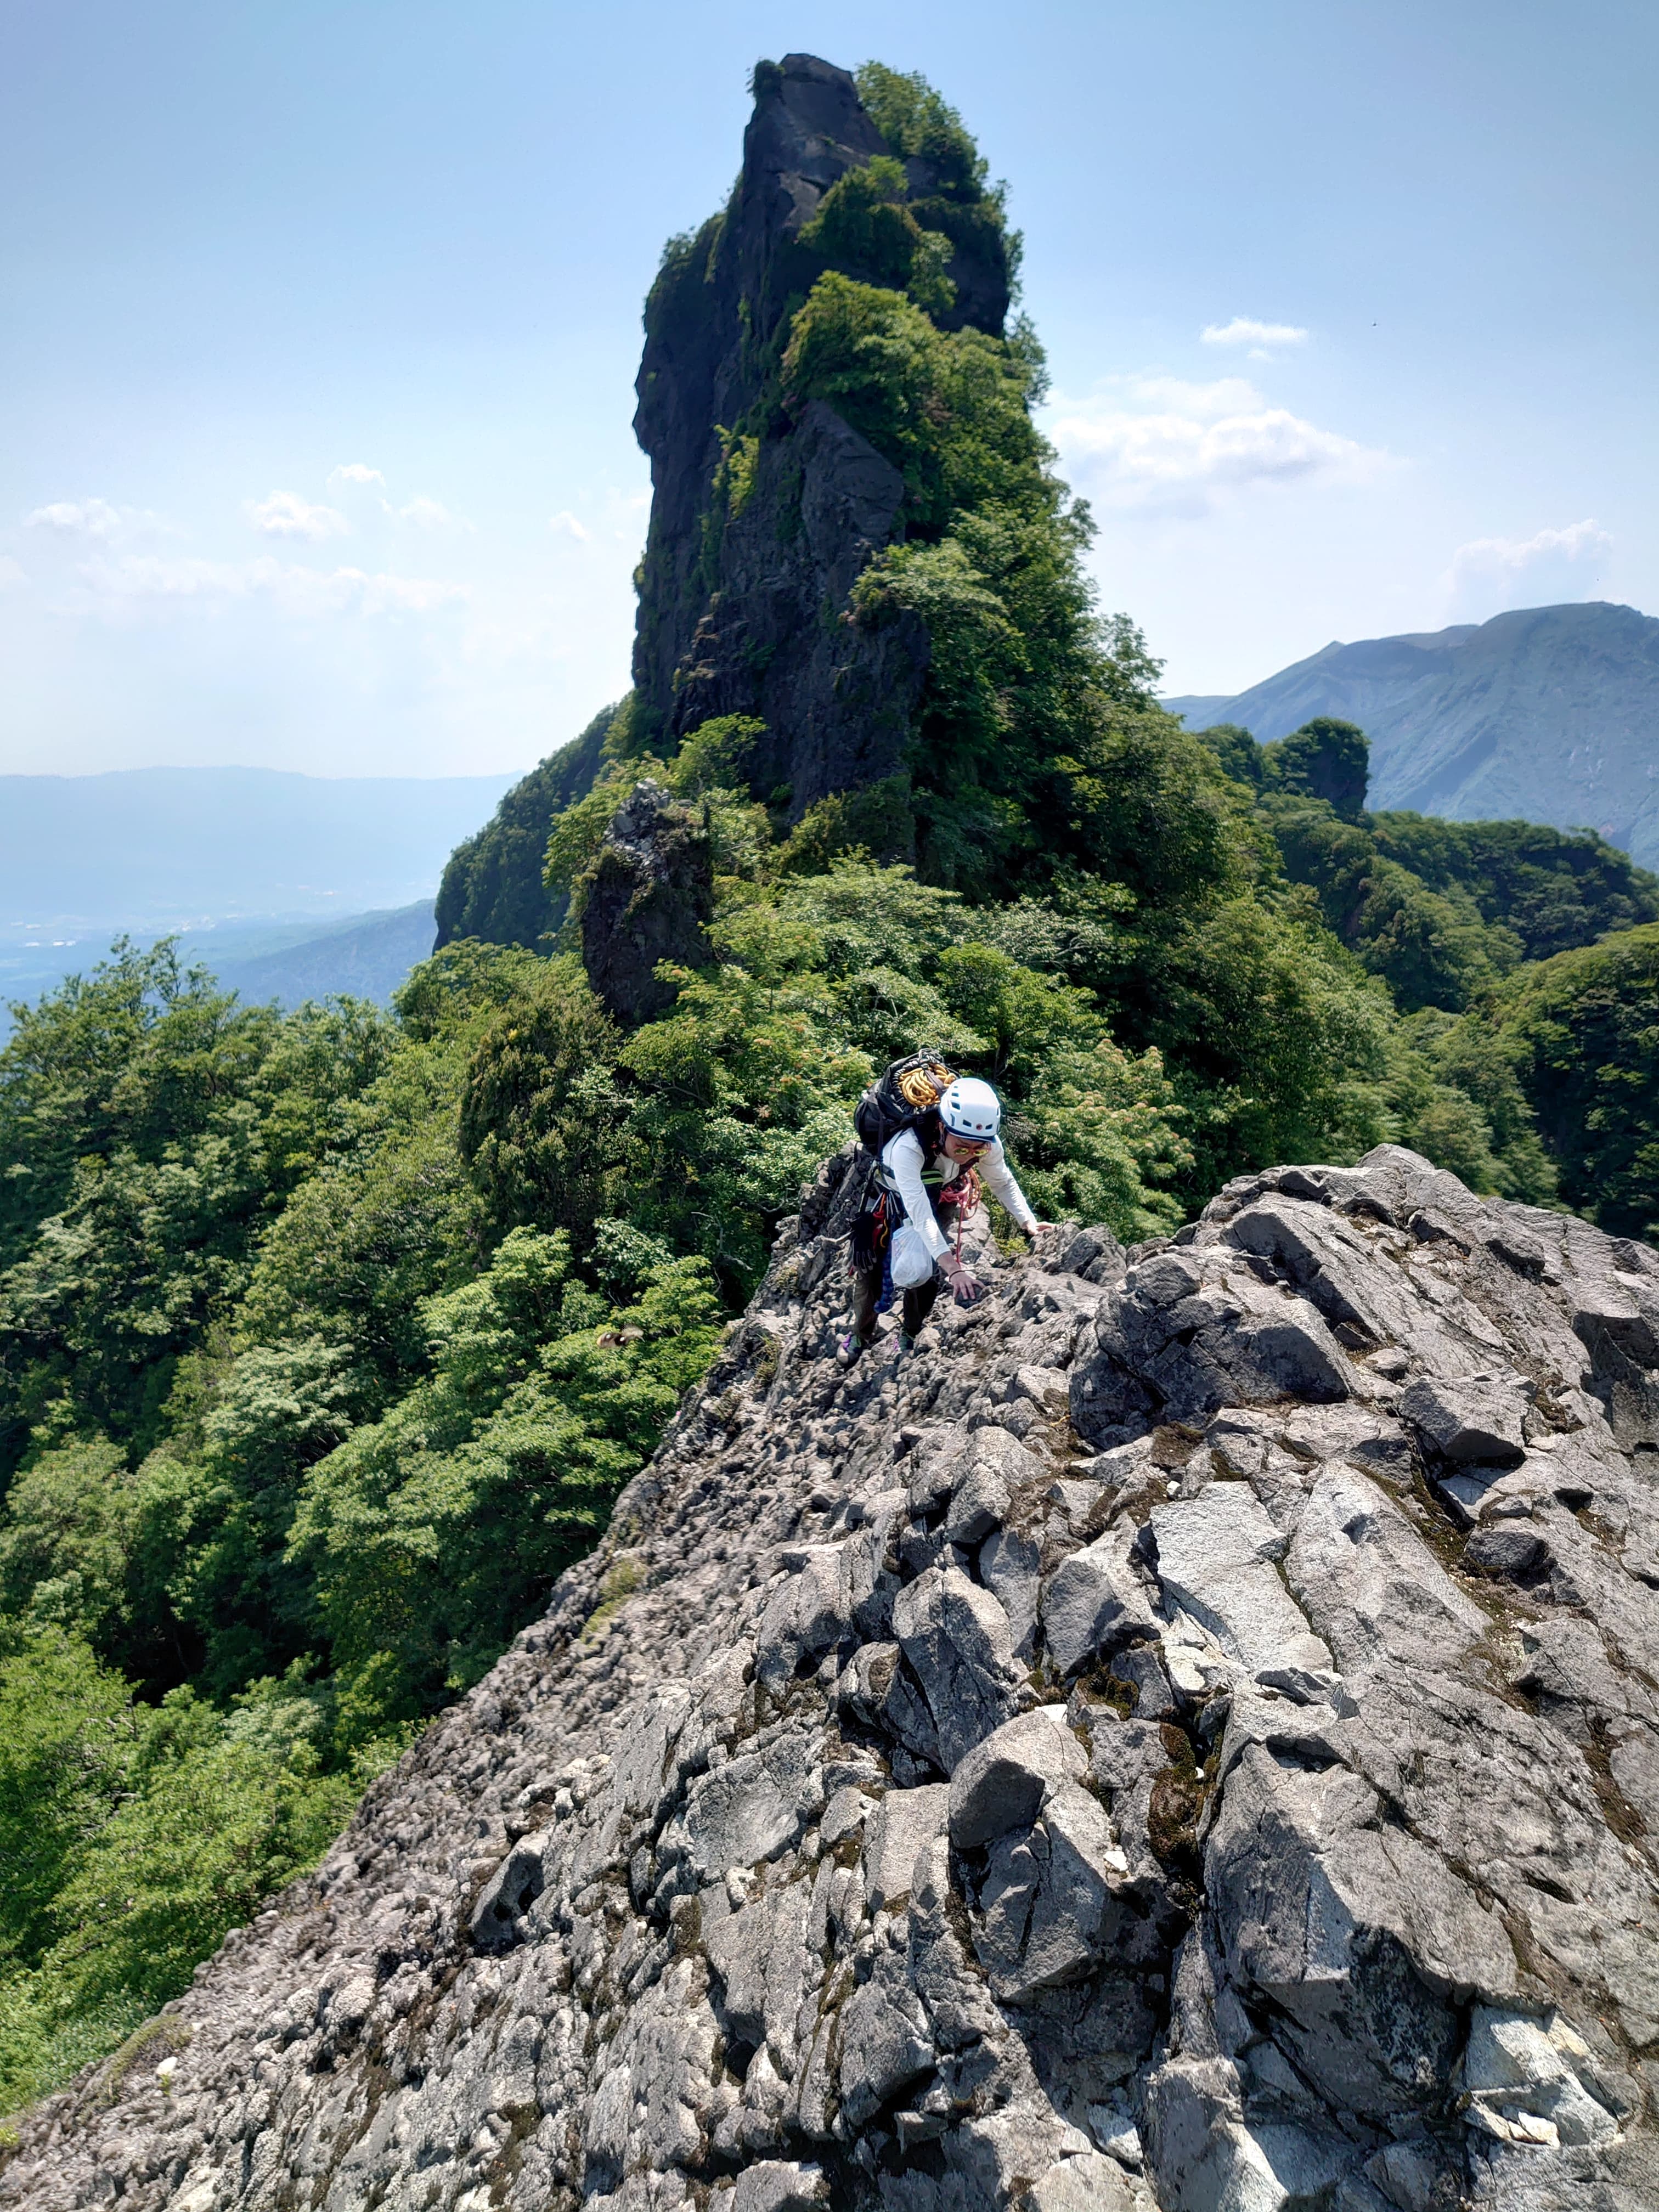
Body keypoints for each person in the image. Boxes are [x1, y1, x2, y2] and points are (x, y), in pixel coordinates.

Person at [839, 1075, 1052, 1364]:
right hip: (890, 1195)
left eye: (978, 1150)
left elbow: (1001, 1182)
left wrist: (1028, 1222)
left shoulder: (985, 1143)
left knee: (924, 1269)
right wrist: (954, 1269)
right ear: (942, 1127)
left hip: (937, 1193)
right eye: (962, 1148)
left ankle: (910, 1332)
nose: (970, 1156)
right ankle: (860, 1335)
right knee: (871, 1266)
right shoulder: (908, 1148)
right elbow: (920, 1216)